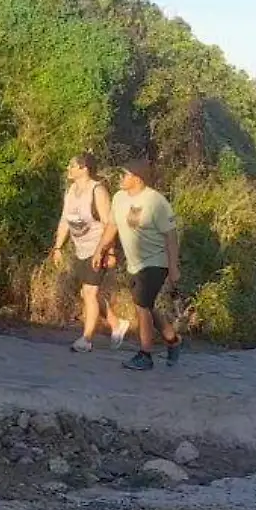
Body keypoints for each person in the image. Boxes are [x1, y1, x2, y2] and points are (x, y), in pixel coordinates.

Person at [96, 159, 183, 372]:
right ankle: (172, 340)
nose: (120, 178)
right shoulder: (119, 198)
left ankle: (145, 355)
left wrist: (173, 268)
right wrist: (101, 249)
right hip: (135, 264)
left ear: (137, 178)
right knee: (148, 306)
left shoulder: (156, 201)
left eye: (124, 175)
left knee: (140, 304)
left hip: (156, 262)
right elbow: (112, 227)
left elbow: (171, 237)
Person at [51, 153, 129, 353]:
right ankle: (116, 323)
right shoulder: (71, 191)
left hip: (98, 247)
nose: (69, 169)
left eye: (72, 165)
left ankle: (86, 339)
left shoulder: (98, 190)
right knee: (86, 293)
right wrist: (58, 247)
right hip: (81, 249)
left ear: (84, 168)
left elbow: (109, 224)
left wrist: (109, 251)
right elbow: (64, 221)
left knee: (89, 292)